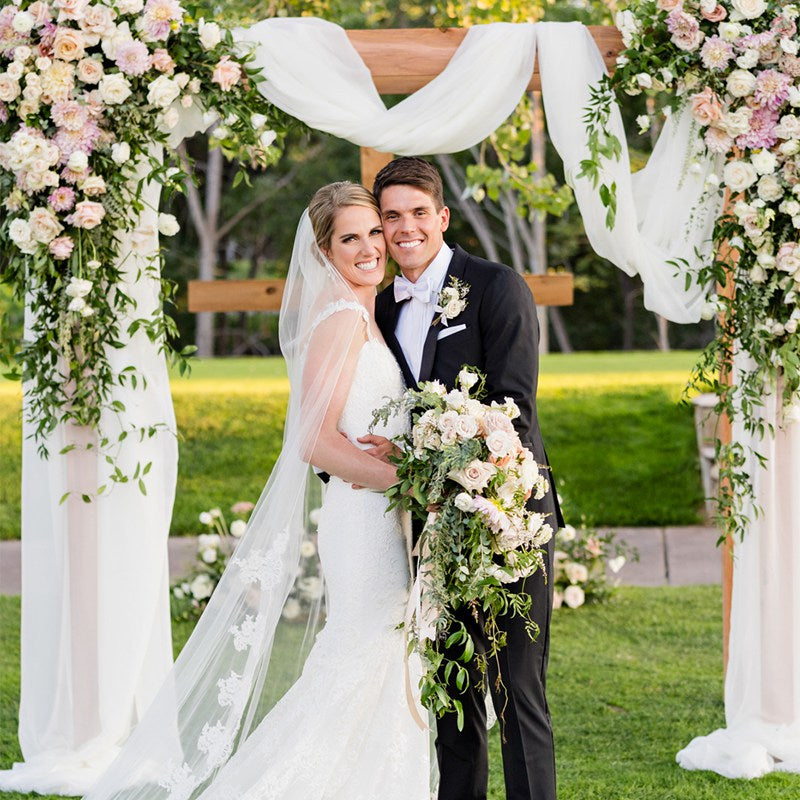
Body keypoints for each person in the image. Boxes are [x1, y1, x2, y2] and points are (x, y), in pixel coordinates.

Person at [82, 183, 430, 800]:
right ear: (324, 251)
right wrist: (413, 482)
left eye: (375, 232)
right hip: (364, 522)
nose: (371, 246)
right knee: (358, 659)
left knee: (381, 664)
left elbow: (354, 429)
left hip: (378, 517)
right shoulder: (343, 319)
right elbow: (314, 442)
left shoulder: (363, 317)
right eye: (350, 237)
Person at [364, 156, 564, 800]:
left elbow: (516, 409)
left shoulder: (496, 286)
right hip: (430, 533)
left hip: (507, 521)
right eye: (391, 217)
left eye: (418, 213)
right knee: (453, 696)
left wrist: (486, 504)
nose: (405, 228)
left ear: (442, 217)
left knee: (516, 696)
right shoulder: (384, 310)